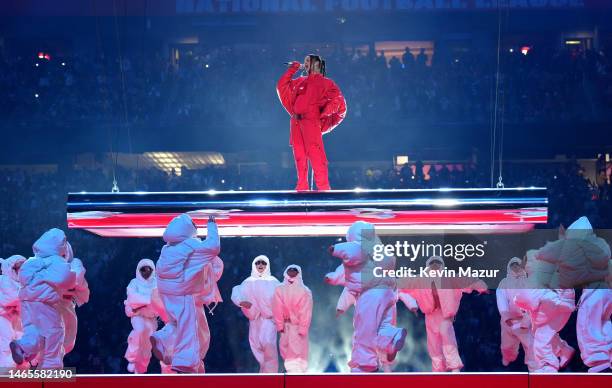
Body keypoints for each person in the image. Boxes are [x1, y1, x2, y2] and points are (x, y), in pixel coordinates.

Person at [329, 221, 407, 372]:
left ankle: (364, 363)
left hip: (370, 295)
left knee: (365, 329)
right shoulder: (380, 250)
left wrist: (335, 251)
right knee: (380, 327)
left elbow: (345, 265)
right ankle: (391, 337)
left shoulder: (358, 248)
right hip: (388, 293)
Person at [535, 217, 610, 372]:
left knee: (587, 324)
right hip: (600, 290)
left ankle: (600, 365)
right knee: (601, 324)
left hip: (597, 291)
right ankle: (605, 358)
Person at [151, 214, 220, 373]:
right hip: (183, 293)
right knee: (190, 328)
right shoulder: (191, 245)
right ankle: (185, 363)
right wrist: (211, 225)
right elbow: (213, 247)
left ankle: (162, 339)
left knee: (177, 324)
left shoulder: (167, 248)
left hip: (167, 292)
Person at [401, 256, 488, 372]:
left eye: (437, 263)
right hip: (430, 315)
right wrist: (388, 284)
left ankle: (454, 366)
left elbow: (467, 280)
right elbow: (404, 283)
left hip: (445, 315)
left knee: (446, 334)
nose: (435, 266)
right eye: (432, 263)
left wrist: (481, 286)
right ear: (428, 266)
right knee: (433, 343)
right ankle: (438, 369)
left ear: (441, 265)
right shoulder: (421, 280)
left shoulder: (449, 278)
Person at [276, 54, 347, 191]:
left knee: (316, 156)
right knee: (299, 156)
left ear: (316, 64)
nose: (305, 63)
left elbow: (338, 100)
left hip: (311, 122)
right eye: (305, 61)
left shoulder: (327, 83)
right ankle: (302, 187)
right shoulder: (300, 81)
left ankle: (323, 189)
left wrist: (323, 114)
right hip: (296, 122)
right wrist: (292, 69)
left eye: (308, 61)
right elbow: (281, 86)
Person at [10, 229, 76, 369]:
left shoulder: (31, 261)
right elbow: (66, 279)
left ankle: (23, 347)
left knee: (34, 331)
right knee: (54, 332)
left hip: (26, 303)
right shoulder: (56, 261)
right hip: (44, 304)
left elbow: (23, 278)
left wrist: (40, 277)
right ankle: (51, 365)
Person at [514, 249, 575, 373]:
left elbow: (532, 299)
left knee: (541, 340)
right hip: (548, 312)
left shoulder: (543, 278)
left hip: (556, 310)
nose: (528, 264)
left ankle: (549, 365)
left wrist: (518, 300)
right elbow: (527, 299)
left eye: (533, 261)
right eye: (527, 261)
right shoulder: (533, 280)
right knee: (543, 334)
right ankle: (564, 349)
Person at [231, 255, 280, 373]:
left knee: (268, 345)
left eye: (263, 263)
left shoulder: (273, 282)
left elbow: (282, 296)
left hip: (269, 319)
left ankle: (271, 376)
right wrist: (241, 302)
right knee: (256, 347)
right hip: (254, 319)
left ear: (267, 265)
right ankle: (264, 375)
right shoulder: (248, 282)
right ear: (254, 265)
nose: (261, 265)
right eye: (258, 263)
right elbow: (236, 292)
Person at [124, 259, 168, 374]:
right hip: (137, 315)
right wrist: (149, 300)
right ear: (139, 270)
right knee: (139, 330)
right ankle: (132, 358)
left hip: (152, 318)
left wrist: (143, 301)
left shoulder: (157, 283)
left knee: (148, 342)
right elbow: (133, 299)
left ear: (153, 270)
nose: (146, 271)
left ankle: (141, 367)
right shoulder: (134, 283)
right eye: (143, 269)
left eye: (149, 269)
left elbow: (160, 302)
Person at [496, 257, 537, 371]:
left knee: (530, 345)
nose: (515, 267)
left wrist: (527, 319)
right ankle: (508, 357)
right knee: (507, 346)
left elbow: (533, 302)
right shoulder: (504, 283)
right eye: (513, 265)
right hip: (508, 322)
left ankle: (534, 369)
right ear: (509, 267)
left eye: (517, 265)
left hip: (523, 321)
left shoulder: (528, 282)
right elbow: (501, 299)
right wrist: (506, 317)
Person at [272, 264, 313, 373]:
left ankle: (296, 373)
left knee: (298, 351)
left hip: (298, 326)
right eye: (290, 269)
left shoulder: (305, 291)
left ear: (299, 272)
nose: (292, 271)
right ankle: (290, 372)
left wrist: (303, 328)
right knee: (284, 348)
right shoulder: (279, 289)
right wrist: (279, 324)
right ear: (286, 271)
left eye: (295, 270)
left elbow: (306, 311)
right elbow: (277, 307)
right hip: (285, 325)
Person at [57, 242, 89, 357]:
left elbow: (75, 279)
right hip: (50, 304)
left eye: (63, 252)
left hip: (67, 304)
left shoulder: (75, 263)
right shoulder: (46, 265)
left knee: (68, 340)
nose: (61, 255)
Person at [194, 255, 224, 373]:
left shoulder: (204, 264)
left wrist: (205, 252)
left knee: (202, 336)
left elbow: (216, 268)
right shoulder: (182, 260)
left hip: (197, 305)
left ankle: (197, 367)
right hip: (185, 304)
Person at [0, 255, 26, 370]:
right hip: (3, 318)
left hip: (16, 318)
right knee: (5, 348)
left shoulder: (22, 285)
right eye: (19, 267)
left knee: (23, 348)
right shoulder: (4, 280)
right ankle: (4, 376)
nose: (21, 270)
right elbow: (10, 298)